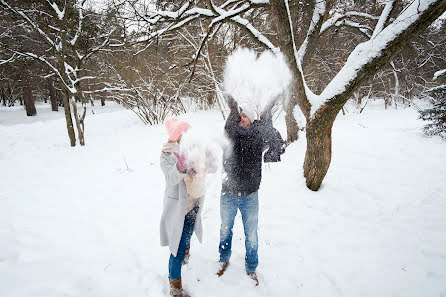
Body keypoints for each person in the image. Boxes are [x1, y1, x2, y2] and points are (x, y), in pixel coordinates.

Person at [217, 95, 285, 286]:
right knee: (225, 230)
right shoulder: (230, 134)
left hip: (250, 196)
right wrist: (232, 105)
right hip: (228, 194)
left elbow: (267, 129)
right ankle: (224, 259)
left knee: (252, 235)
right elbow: (231, 121)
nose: (241, 117)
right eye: (240, 114)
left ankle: (251, 267)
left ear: (252, 119)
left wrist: (269, 107)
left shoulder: (257, 138)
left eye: (245, 115)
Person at [160, 117, 216, 297]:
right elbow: (170, 178)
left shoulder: (194, 148)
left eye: (187, 132)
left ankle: (186, 253)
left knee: (188, 234)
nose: (186, 136)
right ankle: (175, 286)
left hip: (194, 204)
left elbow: (212, 168)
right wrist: (181, 167)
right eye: (181, 133)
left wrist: (208, 158)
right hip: (178, 209)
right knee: (177, 247)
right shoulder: (166, 155)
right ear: (175, 136)